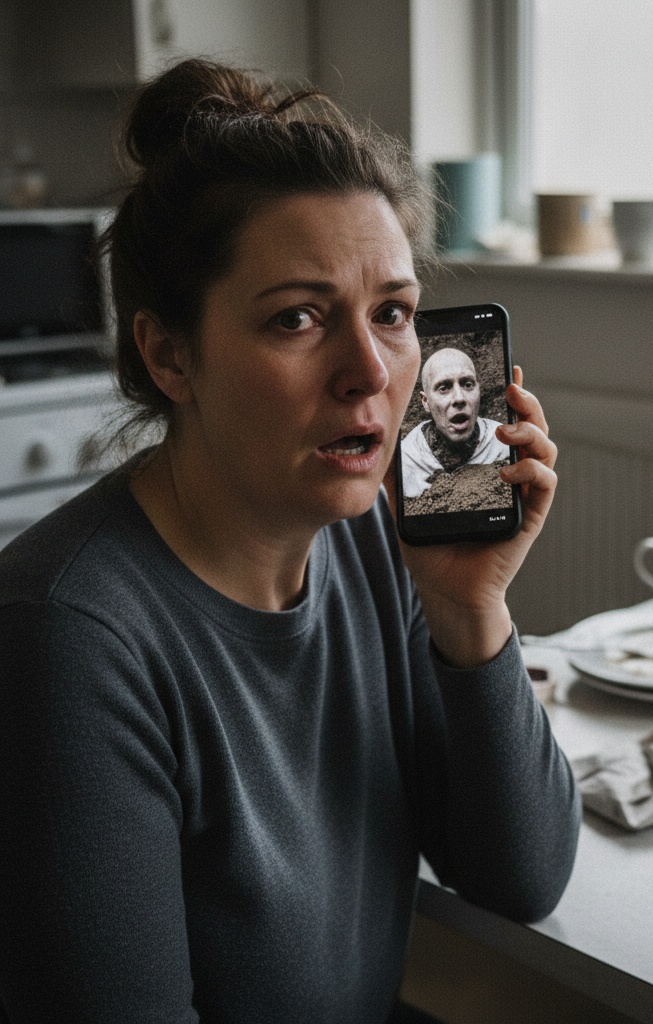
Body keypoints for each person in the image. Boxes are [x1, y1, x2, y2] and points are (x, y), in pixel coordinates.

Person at [0, 58, 580, 1024]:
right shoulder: (67, 640)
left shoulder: (368, 541)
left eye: (392, 312)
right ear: (168, 353)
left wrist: (469, 610)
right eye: (298, 317)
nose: (368, 372)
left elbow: (519, 876)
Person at [401, 347, 509, 499]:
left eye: (467, 385)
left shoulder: (504, 444)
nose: (459, 398)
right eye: (444, 388)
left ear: (479, 389)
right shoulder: (406, 461)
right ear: (426, 402)